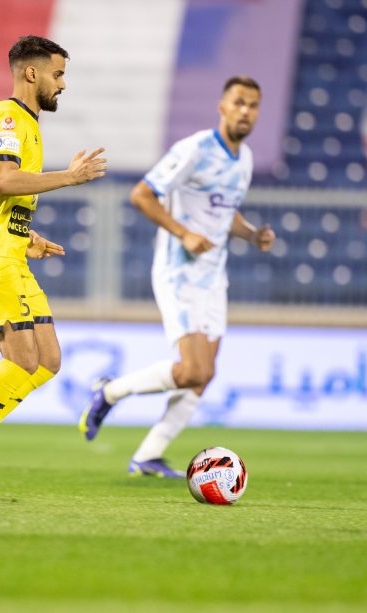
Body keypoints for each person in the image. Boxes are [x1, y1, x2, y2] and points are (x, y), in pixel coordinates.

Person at [0, 35, 107, 497]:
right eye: (58, 73)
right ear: (32, 73)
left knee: (47, 361)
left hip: (7, 252)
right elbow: (2, 180)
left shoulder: (21, 122)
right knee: (23, 360)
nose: (62, 84)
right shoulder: (10, 117)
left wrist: (23, 235)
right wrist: (69, 176)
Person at [79, 76, 275, 478]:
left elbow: (225, 212)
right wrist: (183, 232)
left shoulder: (246, 159)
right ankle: (110, 391)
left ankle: (148, 455)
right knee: (193, 370)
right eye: (238, 102)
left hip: (214, 278)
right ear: (222, 106)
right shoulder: (195, 149)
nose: (245, 111)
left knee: (204, 376)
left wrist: (252, 234)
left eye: (253, 105)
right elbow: (141, 194)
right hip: (178, 272)